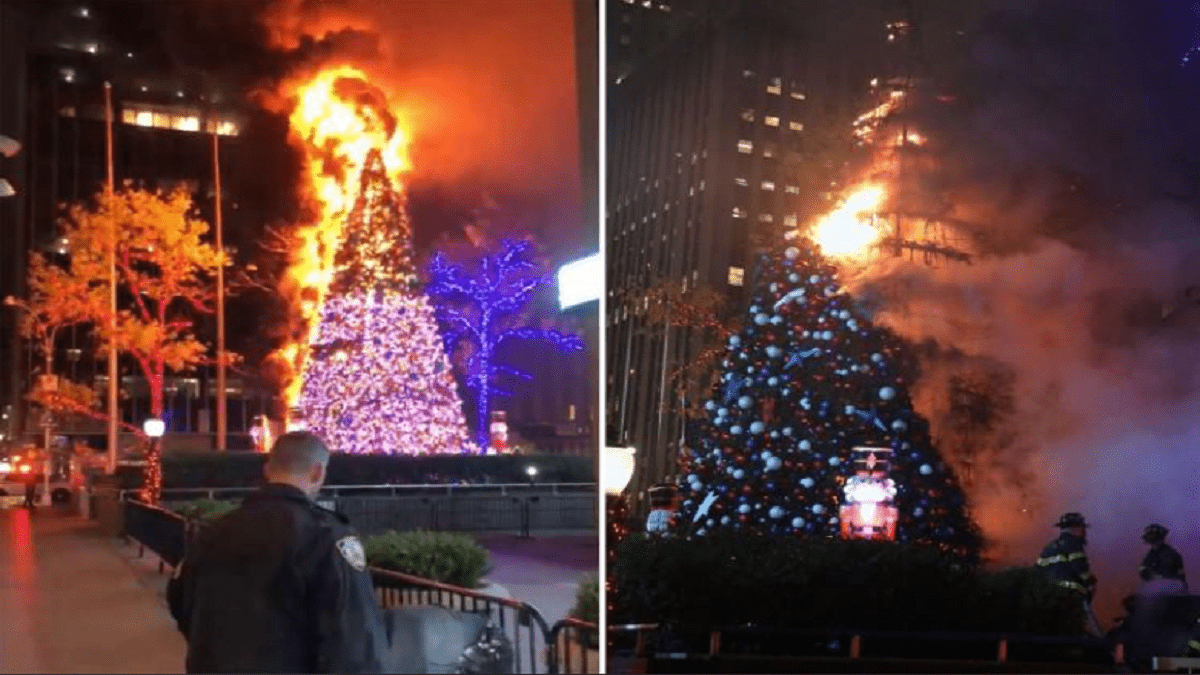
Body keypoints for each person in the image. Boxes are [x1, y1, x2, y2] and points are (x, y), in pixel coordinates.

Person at [167, 431, 390, 673]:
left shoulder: (213, 532)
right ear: (318, 473)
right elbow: (353, 635)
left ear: (267, 470)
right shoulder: (326, 536)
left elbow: (181, 602)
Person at [1037, 512, 1101, 635]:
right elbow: (1080, 567)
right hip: (1069, 599)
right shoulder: (1074, 544)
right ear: (1075, 528)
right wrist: (1091, 582)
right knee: (1075, 631)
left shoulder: (1049, 547)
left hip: (1048, 599)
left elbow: (1037, 572)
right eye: (1082, 528)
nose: (1084, 532)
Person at [1140, 523, 1187, 591]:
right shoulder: (1151, 553)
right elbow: (1143, 568)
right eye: (1148, 534)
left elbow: (1167, 575)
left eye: (1151, 533)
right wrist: (1148, 573)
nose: (1148, 536)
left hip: (1171, 589)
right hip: (1158, 586)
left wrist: (1153, 575)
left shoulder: (1169, 553)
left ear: (1159, 536)